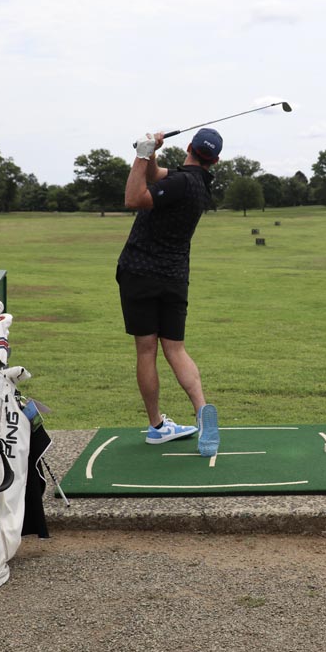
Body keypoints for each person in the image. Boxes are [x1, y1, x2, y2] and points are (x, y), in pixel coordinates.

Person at [116, 127, 221, 457]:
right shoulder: (199, 184)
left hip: (140, 272)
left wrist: (141, 153)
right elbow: (158, 175)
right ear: (214, 160)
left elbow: (134, 198)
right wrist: (152, 154)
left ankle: (157, 427)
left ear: (188, 146)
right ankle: (202, 411)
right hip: (175, 276)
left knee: (146, 350)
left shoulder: (179, 183)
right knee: (175, 349)